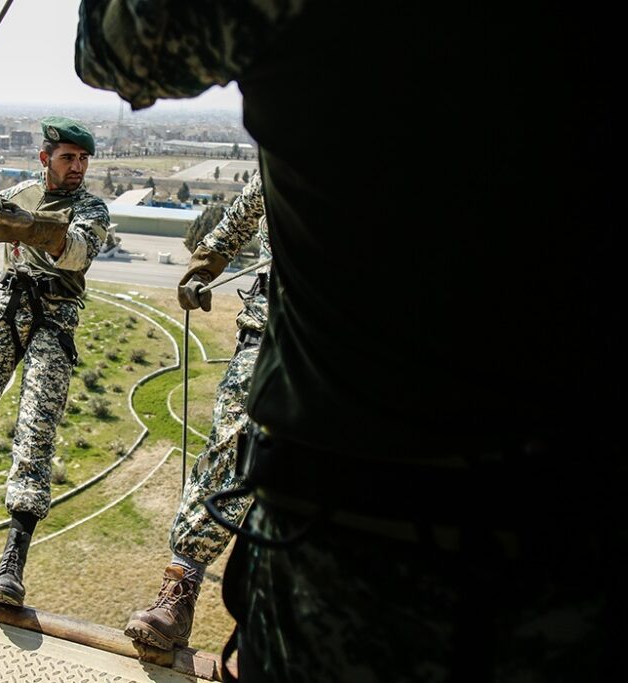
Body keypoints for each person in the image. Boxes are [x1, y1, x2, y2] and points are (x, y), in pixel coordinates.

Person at [77, 1, 621, 681]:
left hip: (350, 512)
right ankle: (181, 577)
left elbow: (117, 49)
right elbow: (258, 189)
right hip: (558, 527)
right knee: (231, 435)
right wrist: (214, 253)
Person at [0, 117, 110, 607]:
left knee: (35, 433)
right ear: (45, 159)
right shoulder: (19, 192)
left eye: (83, 159)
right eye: (68, 158)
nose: (77, 167)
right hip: (8, 311)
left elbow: (76, 252)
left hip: (53, 323)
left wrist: (30, 228)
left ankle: (12, 561)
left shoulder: (90, 208)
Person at [125, 172, 268, 650]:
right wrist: (201, 271)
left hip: (350, 341)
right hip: (270, 335)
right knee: (233, 443)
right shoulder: (285, 161)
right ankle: (179, 590)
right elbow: (232, 227)